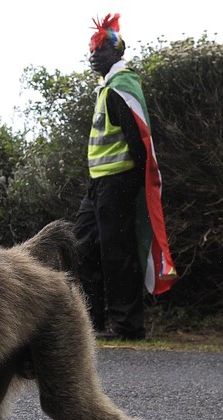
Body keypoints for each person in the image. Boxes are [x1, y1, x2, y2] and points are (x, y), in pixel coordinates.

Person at [73, 14, 178, 340]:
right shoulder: (108, 87)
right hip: (99, 184)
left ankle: (127, 326)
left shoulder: (121, 87)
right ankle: (91, 322)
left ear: (116, 53)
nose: (93, 56)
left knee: (117, 252)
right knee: (81, 246)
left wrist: (131, 187)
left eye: (100, 50)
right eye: (92, 50)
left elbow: (138, 143)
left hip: (117, 182)